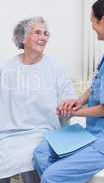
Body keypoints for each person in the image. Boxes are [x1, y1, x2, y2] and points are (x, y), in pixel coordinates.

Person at [33, 0, 104, 183]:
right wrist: (78, 101)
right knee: (41, 153)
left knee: (51, 176)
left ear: (103, 21)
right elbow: (96, 85)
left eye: (92, 21)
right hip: (95, 132)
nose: (91, 26)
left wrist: (75, 112)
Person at [0, 16, 76, 183]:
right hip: (8, 135)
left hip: (44, 132)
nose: (43, 37)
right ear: (22, 38)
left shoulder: (56, 68)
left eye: (46, 33)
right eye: (37, 33)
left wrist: (68, 105)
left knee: (28, 156)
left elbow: (69, 99)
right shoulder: (6, 69)